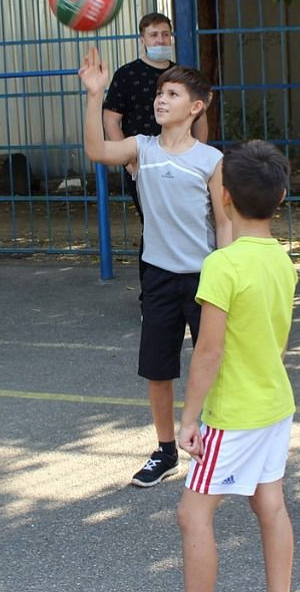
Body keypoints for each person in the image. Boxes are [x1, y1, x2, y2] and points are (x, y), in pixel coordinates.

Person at [79, 47, 231, 488]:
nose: (161, 100)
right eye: (160, 93)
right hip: (159, 276)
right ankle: (165, 450)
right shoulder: (140, 149)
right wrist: (95, 95)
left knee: (214, 364)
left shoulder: (210, 159)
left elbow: (223, 223)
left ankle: (216, 439)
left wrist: (224, 275)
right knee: (158, 368)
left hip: (205, 277)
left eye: (173, 94)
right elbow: (96, 148)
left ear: (196, 107)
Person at [176, 139, 297, 592]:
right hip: (274, 403)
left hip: (234, 414)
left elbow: (209, 351)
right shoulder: (282, 260)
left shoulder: (222, 265)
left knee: (193, 514)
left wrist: (189, 418)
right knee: (270, 504)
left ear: (223, 195)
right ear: (280, 197)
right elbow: (276, 338)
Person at [103, 13, 209, 287]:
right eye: (153, 35)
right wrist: (129, 162)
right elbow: (111, 119)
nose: (160, 40)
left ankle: (194, 292)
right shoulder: (126, 75)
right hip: (144, 163)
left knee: (188, 223)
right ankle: (151, 297)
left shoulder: (181, 75)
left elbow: (201, 119)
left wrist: (200, 153)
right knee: (155, 227)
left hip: (184, 163)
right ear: (142, 39)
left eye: (165, 34)